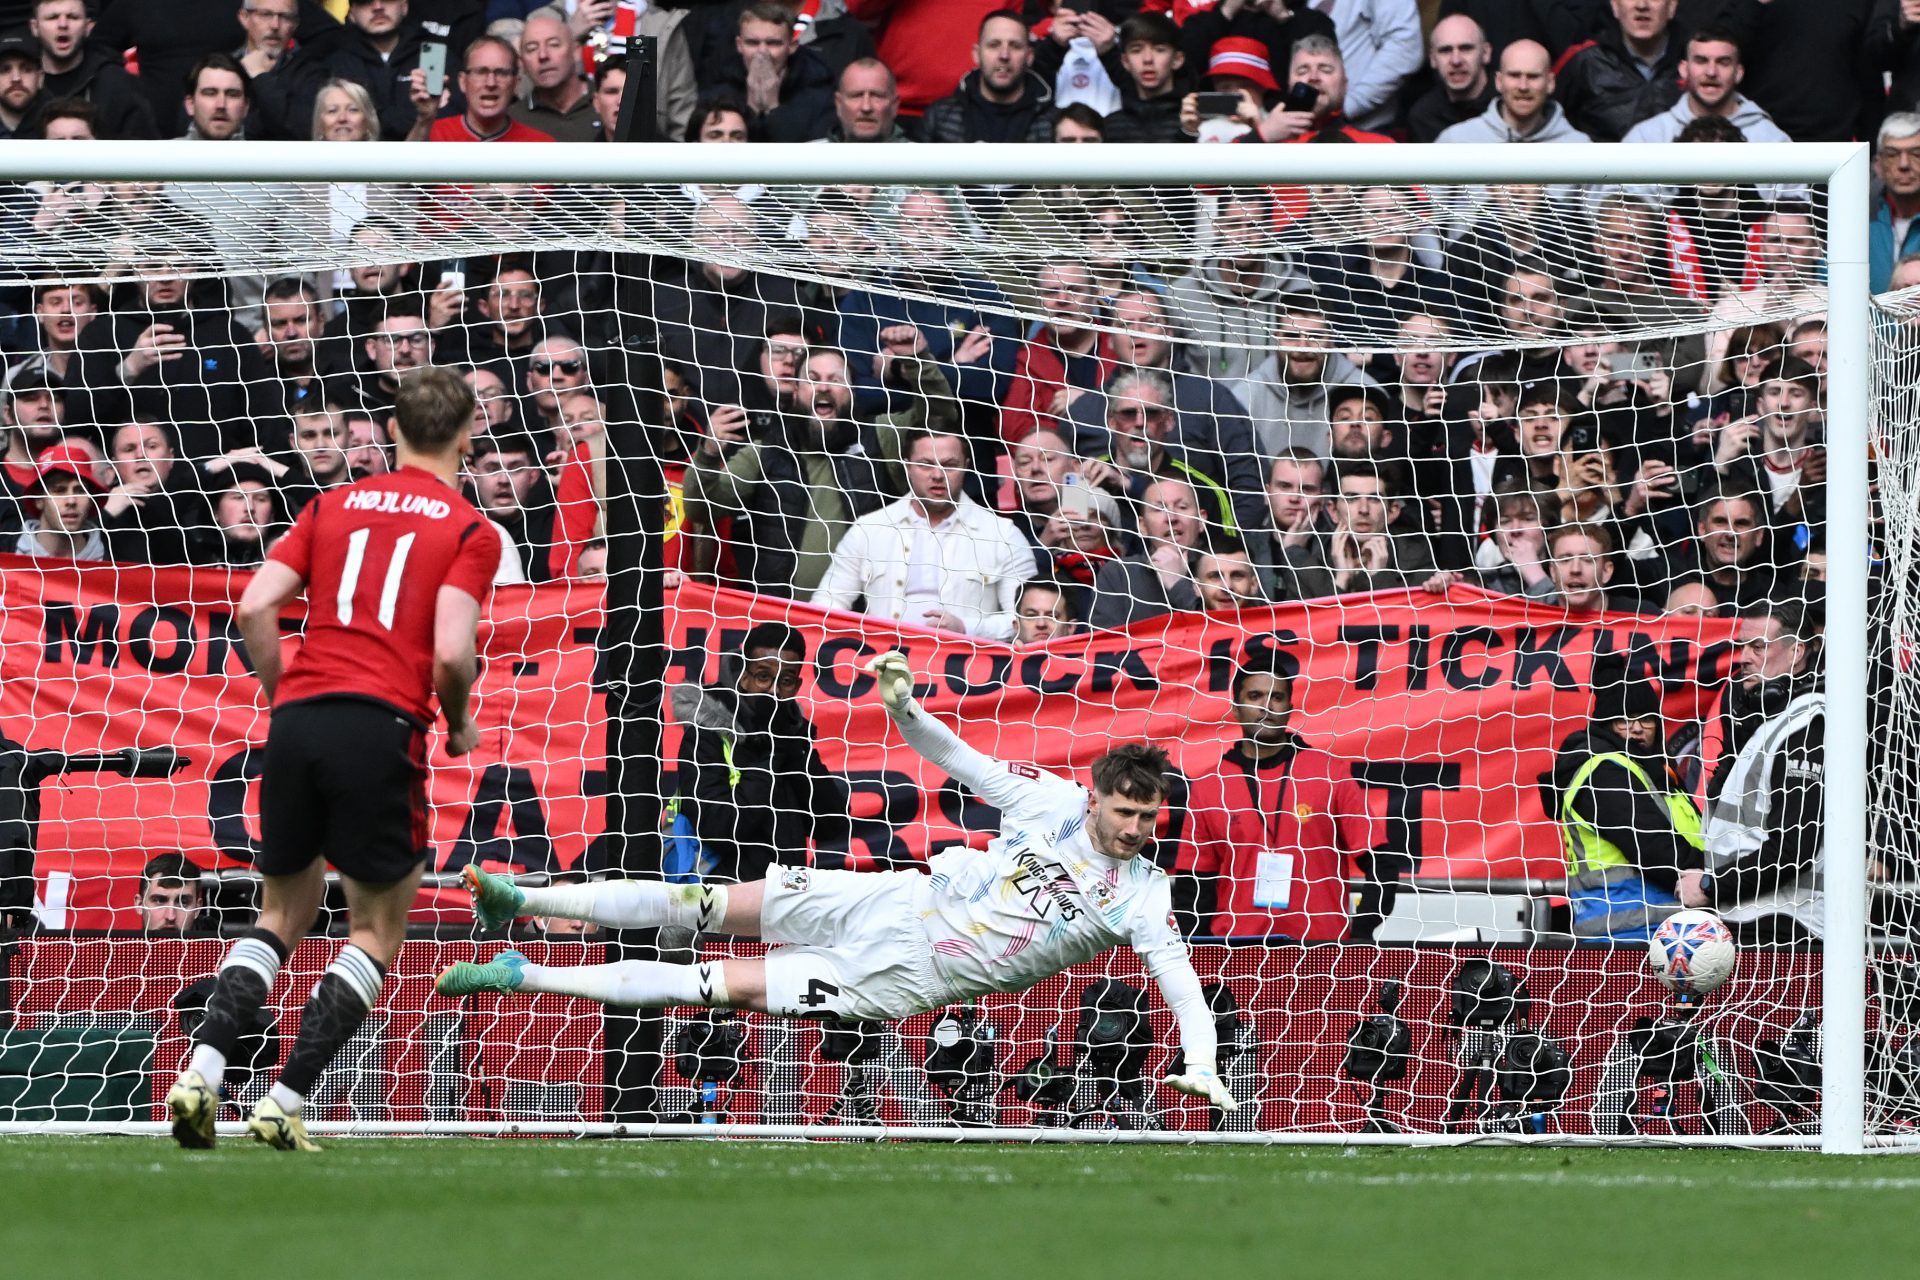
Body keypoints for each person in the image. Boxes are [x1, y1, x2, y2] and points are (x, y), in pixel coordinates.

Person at [437, 650, 1239, 1115]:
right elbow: (957, 757)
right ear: (1097, 795)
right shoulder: (1052, 801)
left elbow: (1181, 985)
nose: (1134, 829)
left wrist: (1200, 1060)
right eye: (1125, 811)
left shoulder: (1142, 893)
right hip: (897, 895)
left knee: (702, 985)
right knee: (705, 903)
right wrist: (901, 708)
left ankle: (521, 972)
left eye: (1147, 819)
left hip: (902, 973)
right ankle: (524, 897)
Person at [167, 367, 501, 1152]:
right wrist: (458, 725)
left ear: (389, 430)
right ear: (466, 434)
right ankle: (284, 1100)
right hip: (379, 726)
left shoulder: (330, 504)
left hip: (298, 721)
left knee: (280, 913)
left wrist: (288, 694)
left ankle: (203, 1073)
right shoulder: (468, 530)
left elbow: (254, 606)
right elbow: (453, 653)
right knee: (376, 929)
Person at [1176, 647, 1382, 942]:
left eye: (1277, 697)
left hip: (1321, 950)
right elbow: (1193, 883)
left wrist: (1361, 935)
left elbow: (1380, 861)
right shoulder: (1210, 785)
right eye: (1255, 696)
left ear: (1289, 707)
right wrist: (1196, 951)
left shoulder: (1329, 771)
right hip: (1236, 951)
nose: (1266, 706)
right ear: (1235, 707)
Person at [1678, 600, 1826, 947]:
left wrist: (1710, 886)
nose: (1743, 657)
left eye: (1758, 647)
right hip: (1749, 917)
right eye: (1741, 647)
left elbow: (1794, 847)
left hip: (1784, 926)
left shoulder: (1806, 725)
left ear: (1796, 652)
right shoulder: (1768, 723)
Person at [668, 622, 850, 885]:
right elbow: (719, 829)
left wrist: (794, 754)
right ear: (744, 675)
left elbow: (832, 826)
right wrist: (772, 761)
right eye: (763, 676)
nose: (774, 690)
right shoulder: (707, 733)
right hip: (723, 896)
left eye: (785, 681)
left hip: (788, 892)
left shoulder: (793, 736)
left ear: (797, 685)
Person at [812, 429, 1038, 639]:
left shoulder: (1003, 535)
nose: (937, 475)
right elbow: (826, 605)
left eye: (949, 465)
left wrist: (967, 628)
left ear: (967, 466)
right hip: (880, 669)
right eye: (925, 465)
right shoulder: (869, 529)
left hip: (967, 671)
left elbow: (1030, 621)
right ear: (907, 466)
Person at [1548, 665, 1703, 941]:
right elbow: (1655, 848)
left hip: (1669, 931)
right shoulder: (1603, 771)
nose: (1637, 728)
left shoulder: (1657, 774)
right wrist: (1719, 880)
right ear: (1606, 724)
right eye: (1624, 719)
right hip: (1626, 938)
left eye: (1646, 719)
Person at [1620, 27, 1790, 146]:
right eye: (1701, 61)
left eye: (1723, 62)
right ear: (1684, 69)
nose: (1711, 72)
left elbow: (1796, 197)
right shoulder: (1647, 138)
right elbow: (1614, 196)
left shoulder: (1771, 140)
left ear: (1738, 73)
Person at [1552, 0, 1686, 142]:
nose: (1642, 5)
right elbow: (1547, 123)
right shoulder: (1584, 61)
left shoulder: (1698, 61)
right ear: (1615, 6)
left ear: (1671, 6)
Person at [921, 10, 1054, 144]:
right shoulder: (941, 115)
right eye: (994, 45)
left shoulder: (1051, 121)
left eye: (1015, 46)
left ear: (1029, 57)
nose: (1004, 55)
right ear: (977, 54)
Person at [712, 1, 836, 142]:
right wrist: (750, 110)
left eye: (773, 43)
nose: (762, 52)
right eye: (752, 43)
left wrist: (774, 109)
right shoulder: (717, 95)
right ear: (739, 45)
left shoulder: (821, 97)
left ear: (792, 46)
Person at [1435, 39, 1589, 144]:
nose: (1523, 86)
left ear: (1550, 83)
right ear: (1499, 81)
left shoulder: (1580, 148)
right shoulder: (1457, 140)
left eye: (1533, 76)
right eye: (1514, 75)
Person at [430, 37, 556, 143]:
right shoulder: (431, 135)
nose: (491, 83)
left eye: (501, 73)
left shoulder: (540, 146)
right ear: (463, 82)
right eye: (481, 72)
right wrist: (423, 121)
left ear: (515, 84)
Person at [1407, 14, 1494, 142]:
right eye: (1445, 50)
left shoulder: (1508, 103)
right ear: (1433, 59)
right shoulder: (1423, 117)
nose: (1456, 60)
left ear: (1485, 53)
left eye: (1466, 48)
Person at [1871, 114, 1920, 295]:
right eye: (1892, 154)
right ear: (1878, 165)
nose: (1904, 164)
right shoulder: (1855, 225)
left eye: (1916, 154)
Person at [137, 853, 208, 934]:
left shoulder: (220, 946)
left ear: (197, 909)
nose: (171, 917)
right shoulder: (121, 946)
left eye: (183, 902)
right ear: (140, 904)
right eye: (159, 901)